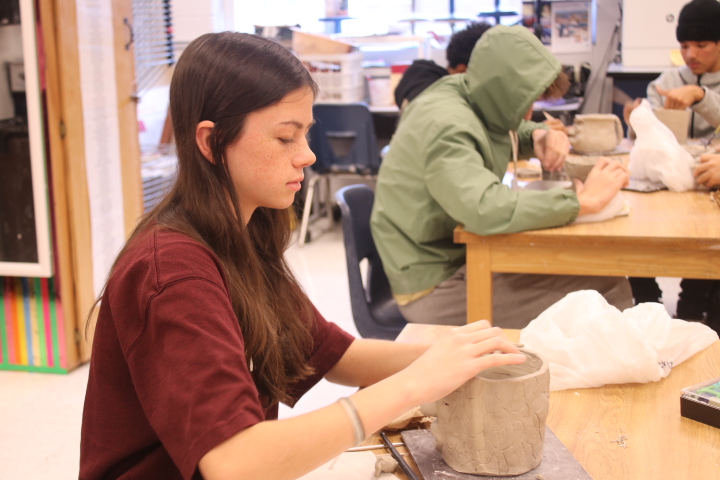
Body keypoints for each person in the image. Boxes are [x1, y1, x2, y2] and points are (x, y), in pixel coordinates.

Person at [78, 32, 527, 480]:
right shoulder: (174, 272)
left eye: (306, 135)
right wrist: (414, 383)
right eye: (285, 138)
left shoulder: (244, 232)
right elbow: (236, 463)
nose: (307, 155)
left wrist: (451, 356)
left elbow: (335, 355)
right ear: (211, 142)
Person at [370, 25, 633, 328]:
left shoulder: (464, 91)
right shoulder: (447, 125)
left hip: (445, 260)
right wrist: (582, 201)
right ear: (505, 90)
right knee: (608, 289)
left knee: (597, 274)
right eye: (527, 101)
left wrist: (536, 135)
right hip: (433, 287)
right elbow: (483, 208)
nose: (529, 111)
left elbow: (493, 126)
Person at [622, 0, 720, 324]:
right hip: (666, 189)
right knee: (632, 231)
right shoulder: (666, 80)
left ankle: (693, 307)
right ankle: (648, 301)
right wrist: (635, 120)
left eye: (701, 45)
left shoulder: (699, 87)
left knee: (706, 247)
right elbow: (643, 139)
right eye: (683, 45)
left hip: (709, 189)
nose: (691, 54)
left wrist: (702, 97)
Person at [394, 22, 567, 132]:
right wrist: (531, 130)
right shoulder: (424, 79)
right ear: (465, 71)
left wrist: (533, 133)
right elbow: (465, 121)